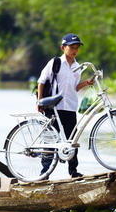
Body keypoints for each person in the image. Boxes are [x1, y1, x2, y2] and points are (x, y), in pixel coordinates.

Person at [37, 33, 95, 178]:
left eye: (77, 48)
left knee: (72, 141)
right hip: (54, 108)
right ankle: (44, 173)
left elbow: (75, 87)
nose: (74, 50)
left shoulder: (77, 67)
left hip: (70, 107)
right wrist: (40, 101)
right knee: (50, 141)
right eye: (71, 47)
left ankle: (73, 171)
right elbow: (41, 81)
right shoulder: (55, 63)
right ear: (63, 47)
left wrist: (86, 83)